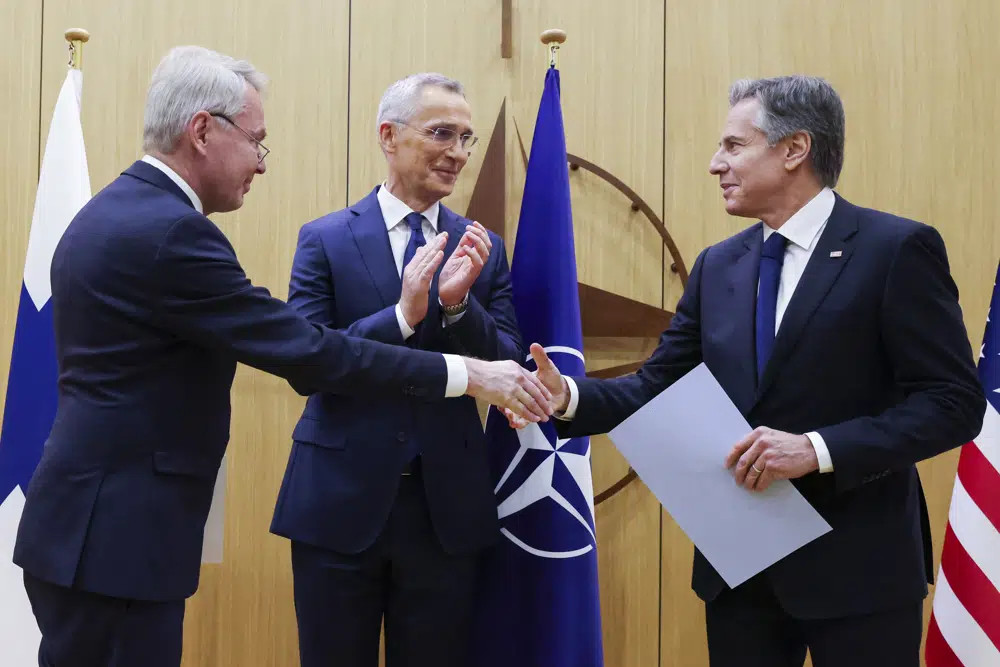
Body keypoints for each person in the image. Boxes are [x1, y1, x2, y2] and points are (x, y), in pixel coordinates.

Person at [13, 46, 551, 667]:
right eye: (257, 142)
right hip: (115, 537)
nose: (260, 165)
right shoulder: (171, 232)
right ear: (204, 130)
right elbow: (306, 350)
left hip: (96, 528)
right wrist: (465, 373)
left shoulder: (113, 213)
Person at [521, 75, 985, 667]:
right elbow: (657, 387)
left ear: (794, 150)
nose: (716, 164)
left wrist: (815, 449)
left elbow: (951, 403)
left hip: (858, 568)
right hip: (741, 572)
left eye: (734, 146)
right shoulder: (720, 266)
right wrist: (566, 399)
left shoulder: (895, 249)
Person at [269, 71, 519, 667]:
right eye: (442, 133)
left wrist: (459, 305)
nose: (458, 153)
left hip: (445, 510)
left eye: (467, 138)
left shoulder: (482, 247)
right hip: (339, 504)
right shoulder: (324, 239)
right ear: (389, 135)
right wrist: (401, 315)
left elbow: (505, 363)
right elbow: (307, 365)